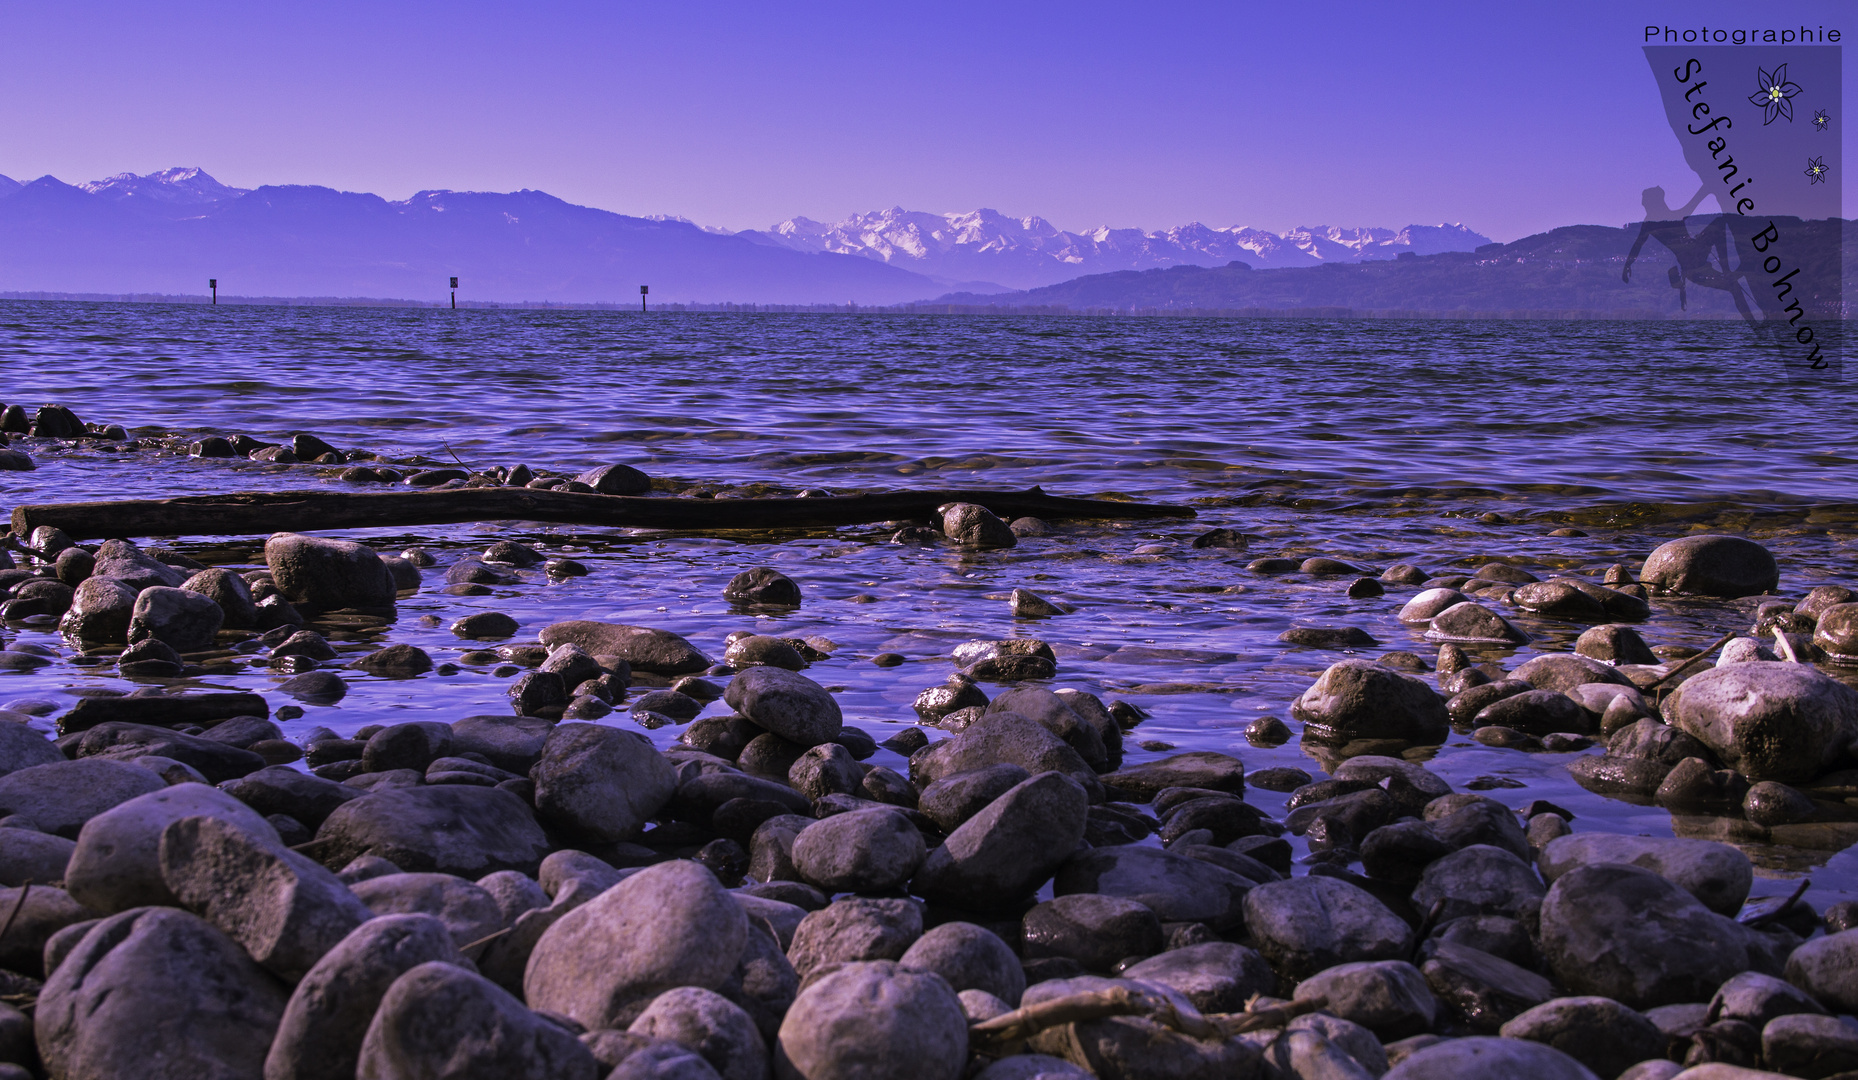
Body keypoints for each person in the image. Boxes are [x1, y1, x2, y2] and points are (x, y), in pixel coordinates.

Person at [1622, 185, 1753, 320]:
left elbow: (1637, 245)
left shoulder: (1662, 220)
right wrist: (1707, 188)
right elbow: (1637, 245)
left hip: (1696, 254)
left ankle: (1727, 271)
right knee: (1734, 287)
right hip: (1692, 267)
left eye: (1645, 202)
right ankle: (1728, 274)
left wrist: (1707, 188)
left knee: (1719, 224)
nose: (1643, 204)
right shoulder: (1654, 222)